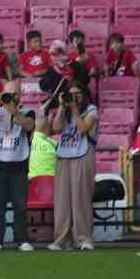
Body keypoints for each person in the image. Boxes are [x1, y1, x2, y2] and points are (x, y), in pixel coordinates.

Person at [48, 83, 98, 251]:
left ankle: (84, 238)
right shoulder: (65, 110)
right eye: (71, 94)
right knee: (62, 200)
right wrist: (62, 107)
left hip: (83, 155)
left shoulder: (91, 110)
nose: (74, 97)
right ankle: (62, 239)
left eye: (78, 94)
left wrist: (75, 110)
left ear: (84, 95)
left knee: (81, 199)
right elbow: (55, 128)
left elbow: (83, 128)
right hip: (64, 156)